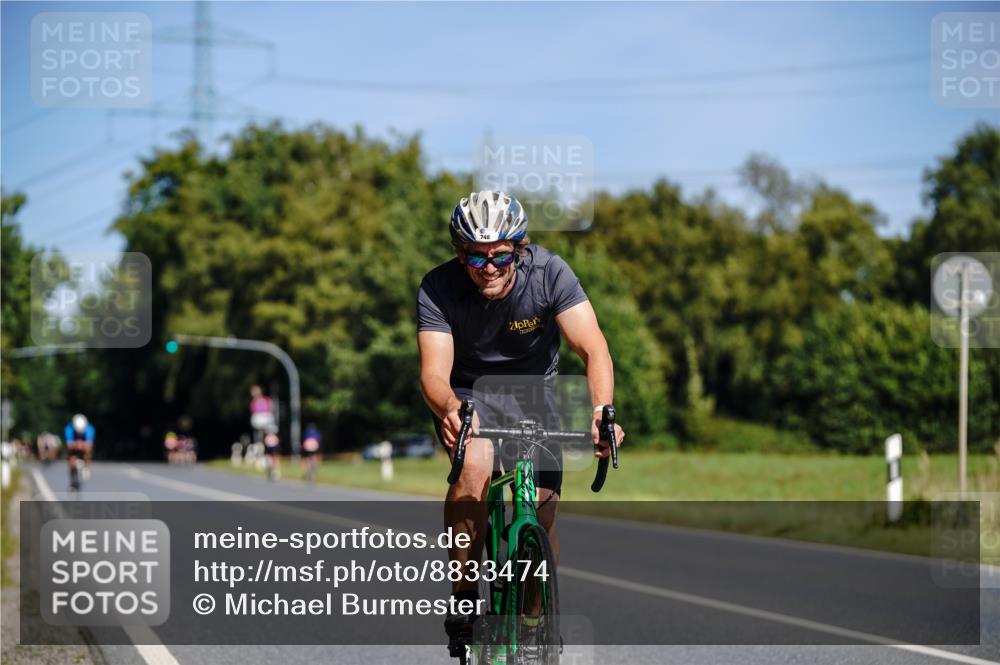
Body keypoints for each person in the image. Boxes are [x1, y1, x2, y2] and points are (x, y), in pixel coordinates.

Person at [416, 190, 625, 642]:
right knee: (474, 466)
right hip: (469, 396)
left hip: (537, 397)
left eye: (501, 256)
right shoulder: (438, 287)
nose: (489, 268)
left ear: (520, 248)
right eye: (475, 258)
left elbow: (593, 348)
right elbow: (433, 373)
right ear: (460, 253)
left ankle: (535, 619)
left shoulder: (551, 273)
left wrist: (600, 411)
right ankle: (466, 596)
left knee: (542, 508)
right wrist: (452, 409)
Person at [64, 414, 95, 488]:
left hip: (84, 449)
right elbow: (69, 446)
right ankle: (72, 480)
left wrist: (80, 445)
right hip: (74, 450)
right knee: (71, 462)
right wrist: (77, 444)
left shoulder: (90, 429)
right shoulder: (69, 429)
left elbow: (89, 446)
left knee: (88, 453)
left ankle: (86, 466)